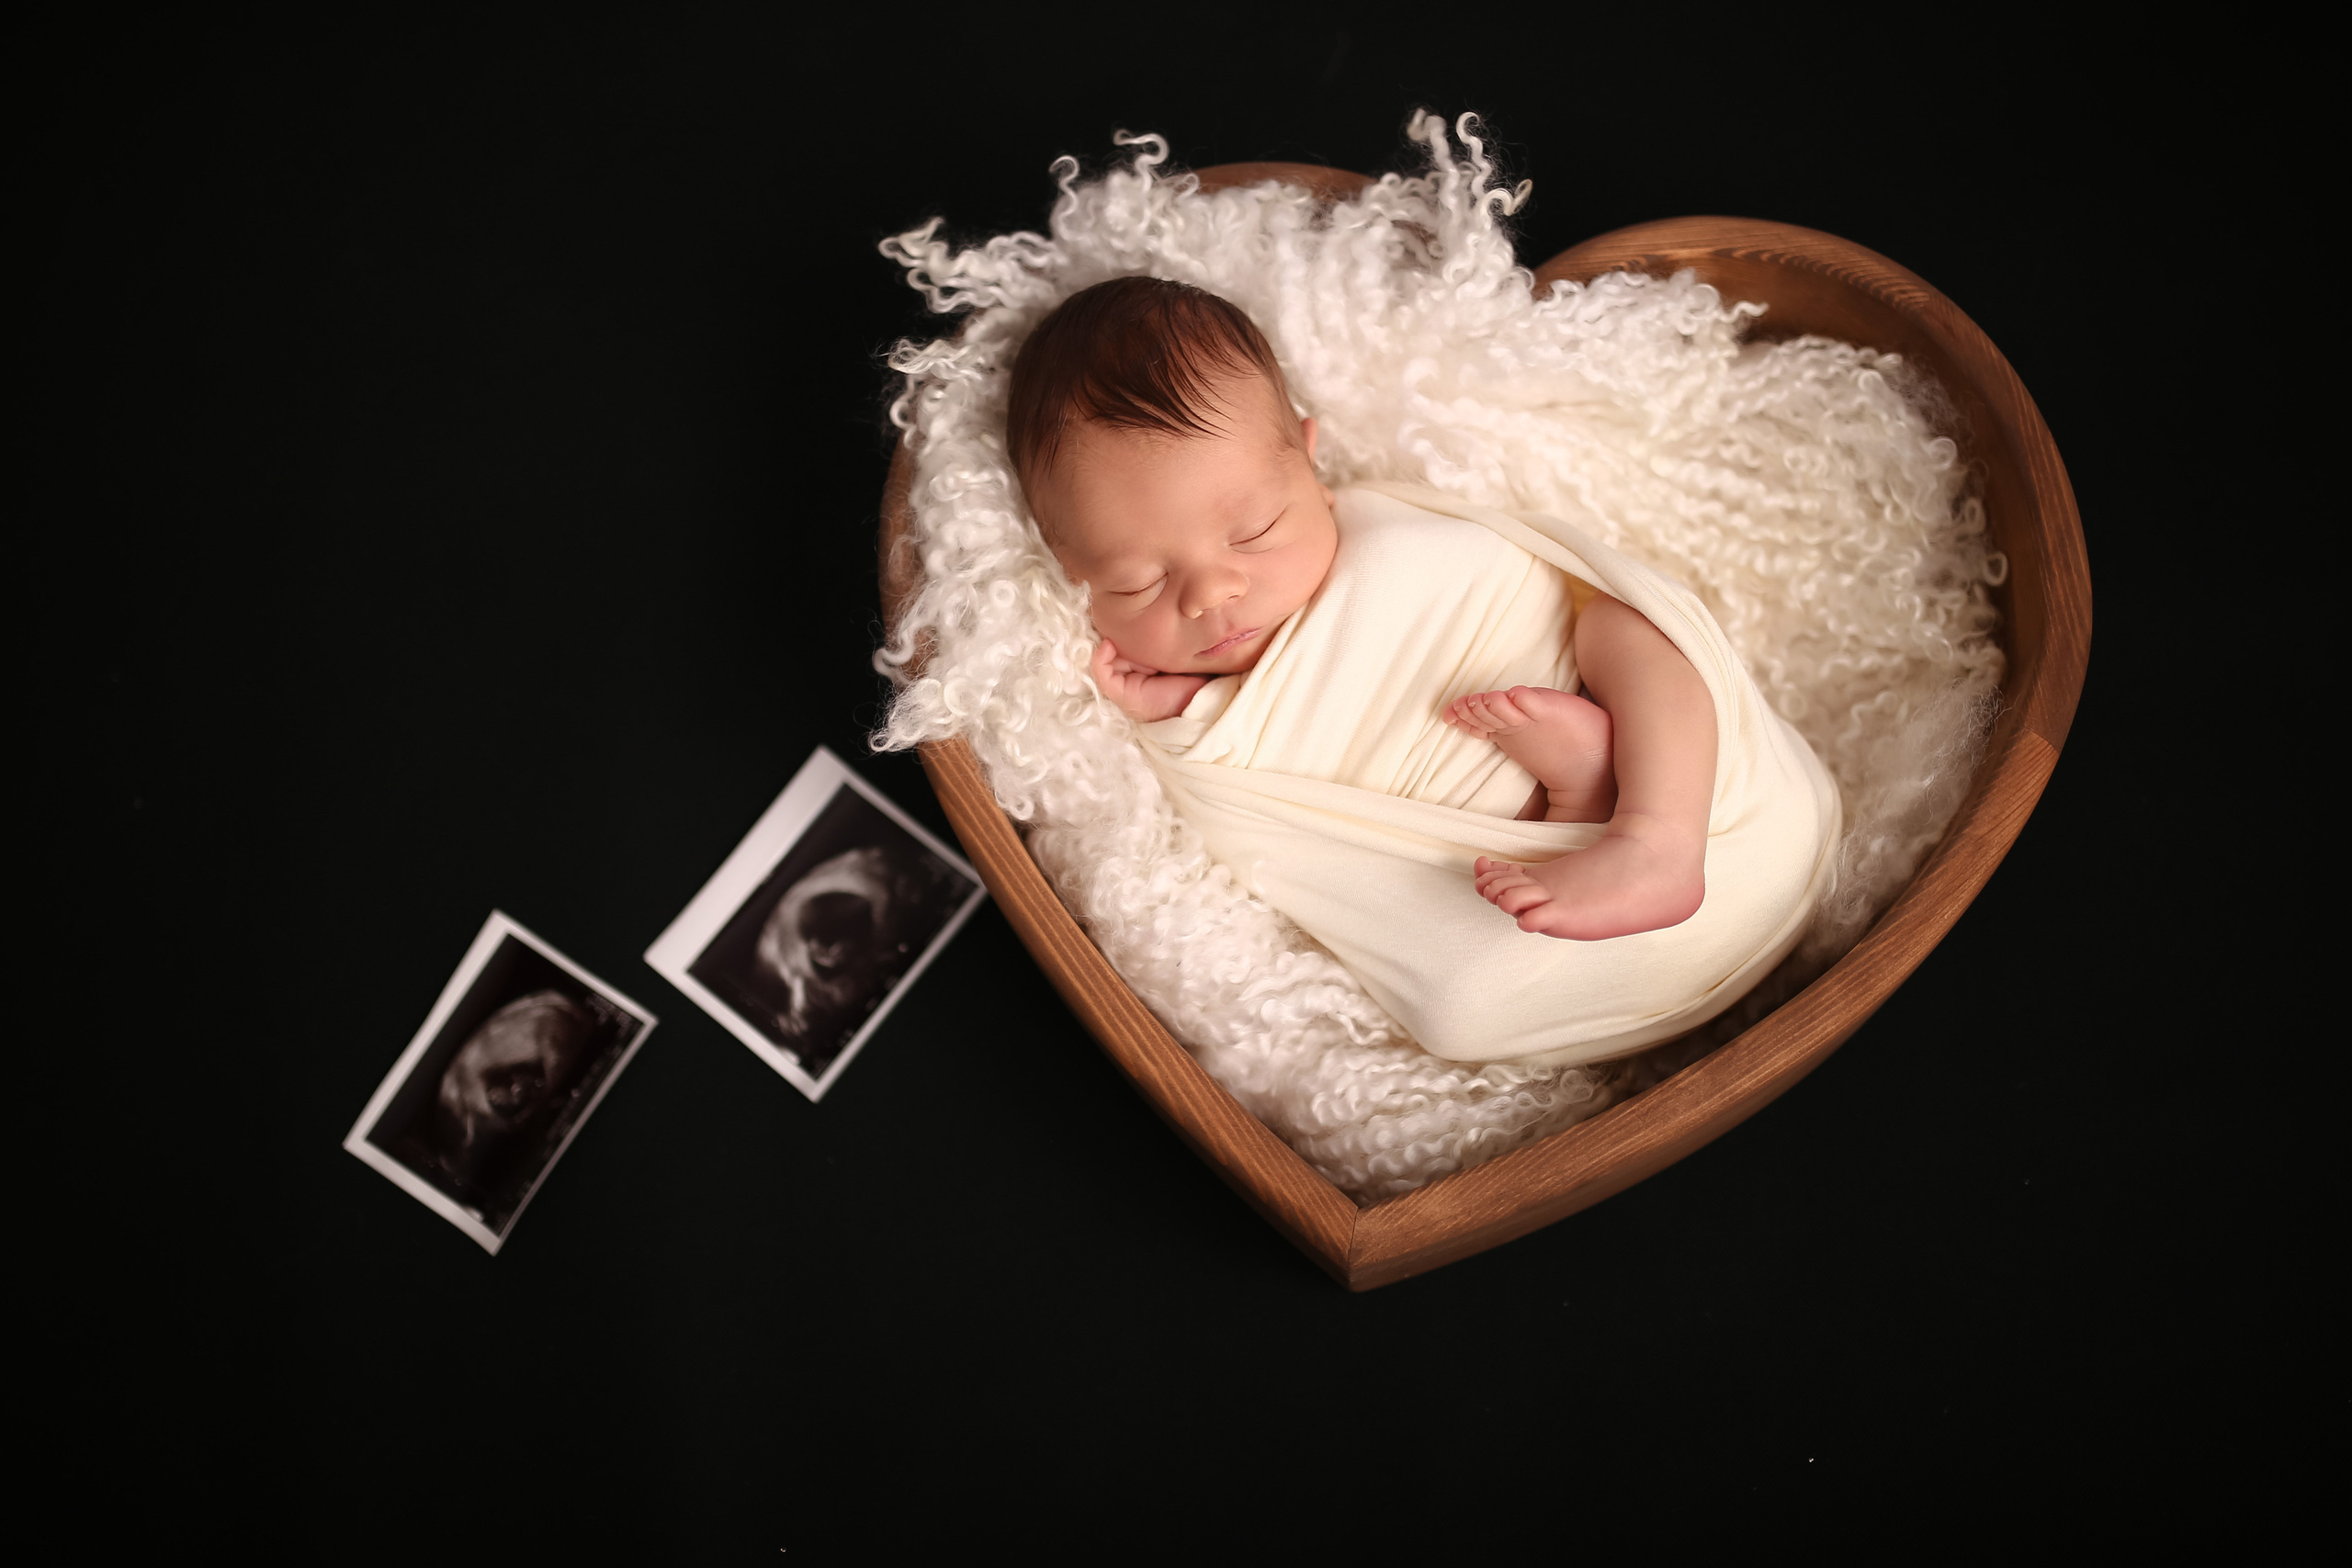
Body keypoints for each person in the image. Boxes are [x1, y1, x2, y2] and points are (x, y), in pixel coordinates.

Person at [1009, 276, 1716, 942]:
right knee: (1460, 930)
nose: (1210, 593)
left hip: (1576, 699)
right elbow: (1266, 819)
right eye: (1138, 583)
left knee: (1625, 621)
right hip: (1467, 860)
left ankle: (1658, 833)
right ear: (1071, 577)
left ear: (1311, 466)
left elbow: (1508, 578)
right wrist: (1184, 713)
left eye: (1254, 530)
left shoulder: (1390, 531)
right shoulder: (1186, 699)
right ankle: (1578, 798)